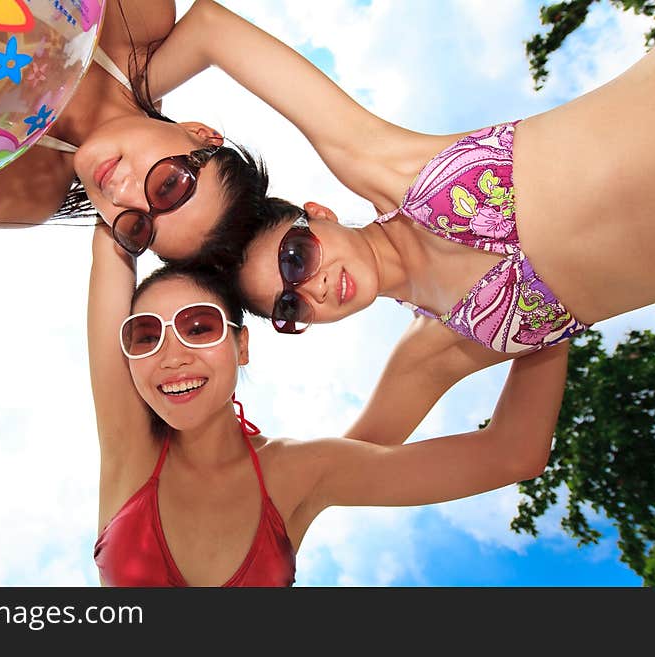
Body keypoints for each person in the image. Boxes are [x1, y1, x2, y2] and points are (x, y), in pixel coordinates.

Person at [129, 0, 655, 443]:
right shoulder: (438, 351)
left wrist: (100, 126)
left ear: (319, 216)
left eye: (295, 258)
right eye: (290, 307)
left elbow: (208, 26)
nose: (311, 288)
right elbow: (336, 473)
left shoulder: (385, 163)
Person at [87, 223, 569, 586]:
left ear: (242, 347)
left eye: (199, 327)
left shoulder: (303, 470)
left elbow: (513, 452)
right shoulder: (130, 453)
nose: (171, 356)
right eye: (145, 336)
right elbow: (111, 241)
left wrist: (553, 289)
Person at [0, 0, 270, 261]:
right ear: (200, 133)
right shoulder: (138, 18)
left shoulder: (26, 191)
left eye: (137, 228)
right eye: (171, 186)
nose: (125, 197)